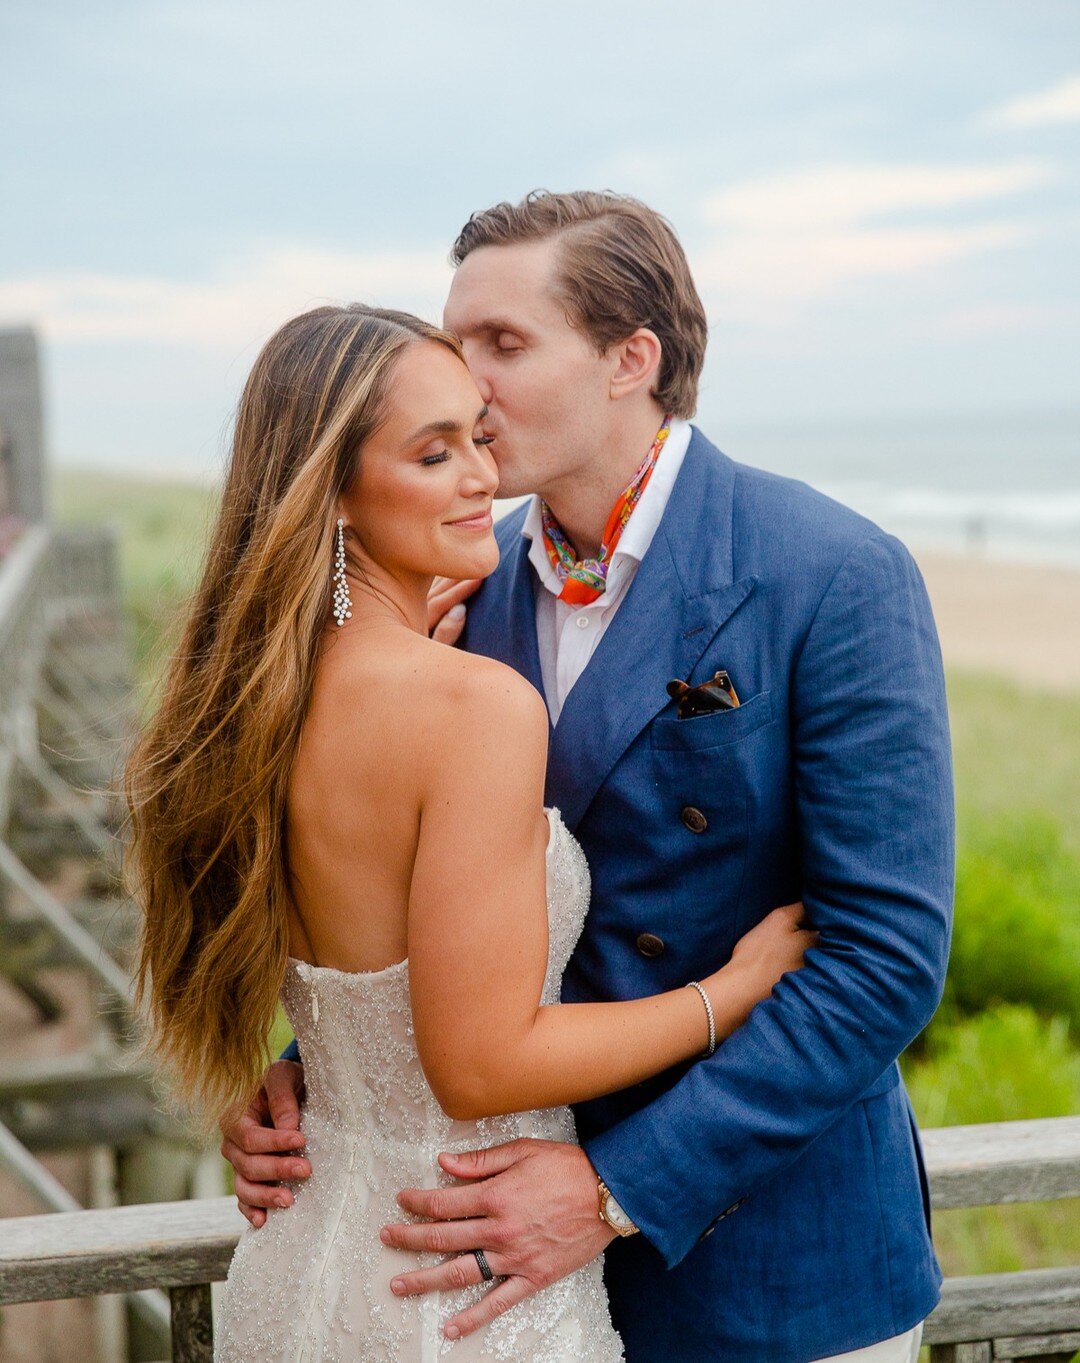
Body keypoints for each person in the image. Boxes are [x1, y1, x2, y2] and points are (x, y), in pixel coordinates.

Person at [223, 192, 955, 1363]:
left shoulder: (832, 570)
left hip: (763, 1263)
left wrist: (614, 1187)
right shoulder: (460, 594)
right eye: (457, 342)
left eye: (504, 344)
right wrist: (327, 1073)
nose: (467, 379)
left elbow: (883, 959)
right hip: (482, 1260)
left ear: (631, 359)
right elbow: (454, 898)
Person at [125, 302, 815, 1361]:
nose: (483, 479)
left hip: (299, 1260)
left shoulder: (249, 700)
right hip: (460, 1283)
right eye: (433, 452)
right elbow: (482, 1063)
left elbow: (355, 976)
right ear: (337, 491)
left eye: (478, 440)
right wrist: (729, 992)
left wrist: (297, 1068)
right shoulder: (473, 708)